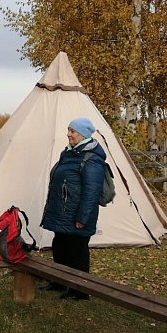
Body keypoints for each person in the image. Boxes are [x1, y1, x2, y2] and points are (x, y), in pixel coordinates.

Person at [39, 117, 105, 301]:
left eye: (72, 131)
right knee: (60, 247)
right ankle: (60, 281)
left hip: (77, 214)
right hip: (63, 212)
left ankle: (79, 290)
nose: (68, 134)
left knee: (77, 252)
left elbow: (92, 192)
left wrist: (82, 218)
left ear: (83, 134)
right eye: (68, 130)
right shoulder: (69, 153)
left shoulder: (92, 159)